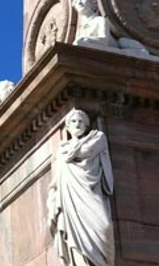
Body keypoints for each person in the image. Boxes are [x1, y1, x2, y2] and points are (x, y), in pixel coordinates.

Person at [47, 109, 114, 266]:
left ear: (86, 126)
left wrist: (74, 150)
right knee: (74, 236)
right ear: (68, 127)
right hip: (70, 198)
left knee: (105, 226)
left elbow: (87, 151)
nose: (77, 124)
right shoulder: (62, 150)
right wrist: (53, 200)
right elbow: (56, 180)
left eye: (80, 121)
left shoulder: (97, 138)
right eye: (73, 121)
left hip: (92, 193)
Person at [71, 0, 149, 59]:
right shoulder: (81, 28)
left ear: (92, 2)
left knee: (122, 41)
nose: (79, 3)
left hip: (115, 46)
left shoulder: (99, 20)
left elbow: (104, 40)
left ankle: (134, 52)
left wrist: (86, 40)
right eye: (77, 1)